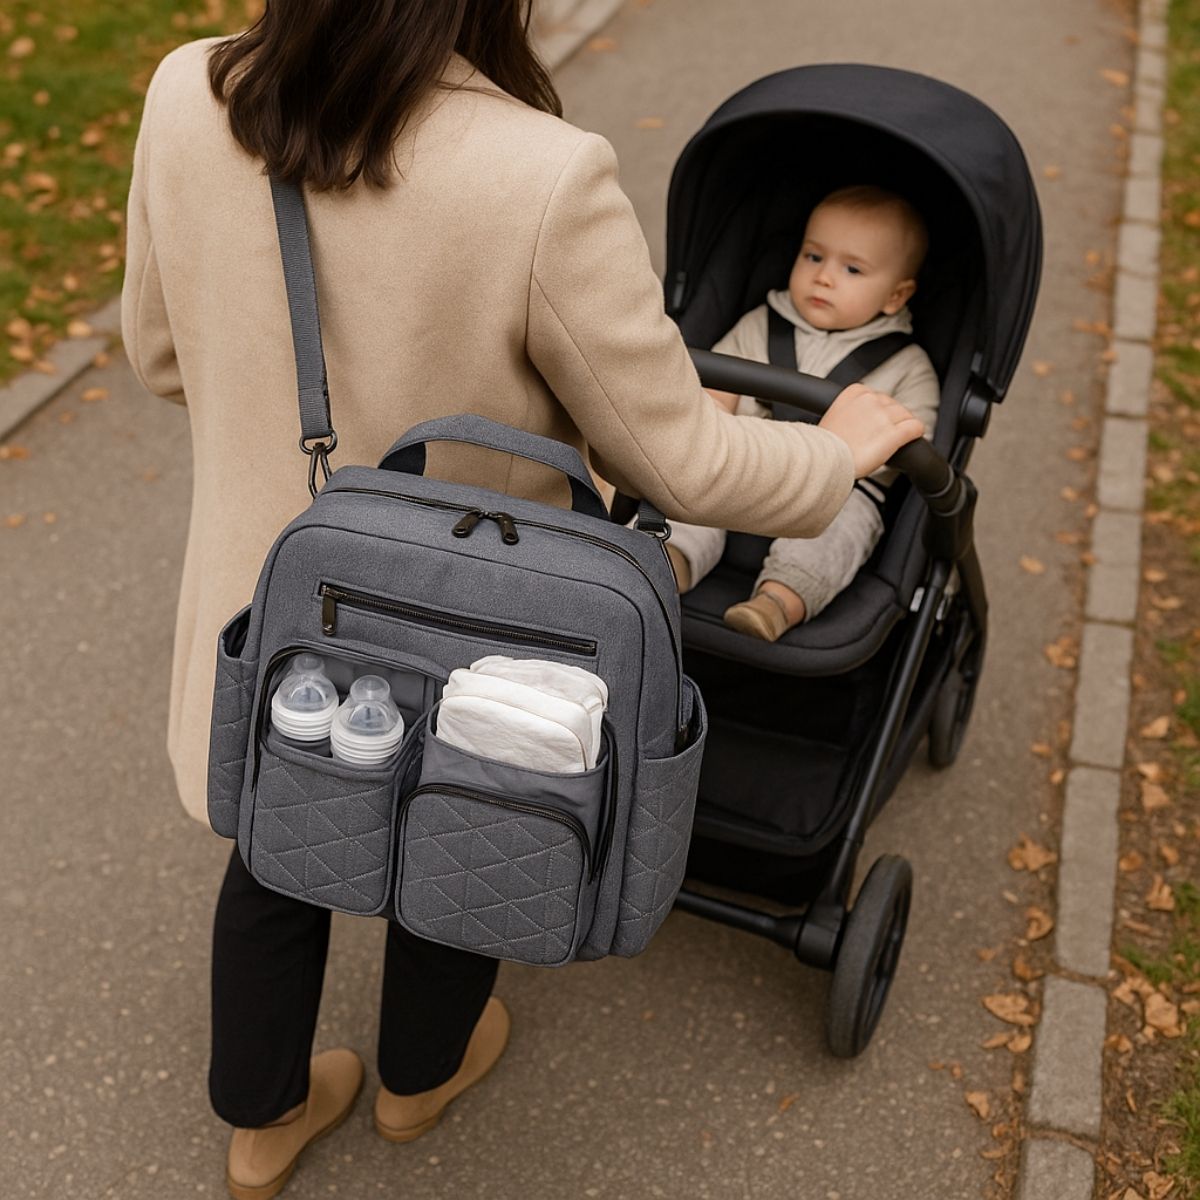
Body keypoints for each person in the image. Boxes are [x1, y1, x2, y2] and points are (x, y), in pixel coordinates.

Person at [120, 4, 925, 1197]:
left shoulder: (192, 93)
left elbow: (158, 354)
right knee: (465, 808)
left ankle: (263, 1120)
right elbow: (689, 469)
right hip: (482, 614)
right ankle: (418, 1078)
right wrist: (837, 454)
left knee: (281, 833)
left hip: (283, 579)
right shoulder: (543, 174)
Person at [664, 185, 941, 641]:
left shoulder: (906, 367)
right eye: (814, 257)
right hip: (746, 460)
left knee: (840, 532)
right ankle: (664, 570)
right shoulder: (759, 325)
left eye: (852, 268)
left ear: (896, 295)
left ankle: (777, 602)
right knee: (691, 495)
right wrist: (708, 423)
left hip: (839, 488)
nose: (824, 277)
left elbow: (915, 444)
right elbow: (712, 391)